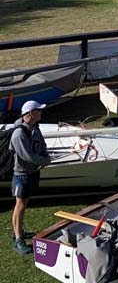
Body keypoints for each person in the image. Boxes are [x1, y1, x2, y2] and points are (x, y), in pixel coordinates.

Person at [9, 101, 51, 255]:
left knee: (24, 203)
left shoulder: (35, 128)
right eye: (38, 110)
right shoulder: (19, 133)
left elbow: (42, 145)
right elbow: (27, 156)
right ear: (31, 113)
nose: (41, 112)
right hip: (22, 175)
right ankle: (18, 239)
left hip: (32, 173)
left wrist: (45, 156)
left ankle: (18, 231)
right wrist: (44, 161)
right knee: (20, 205)